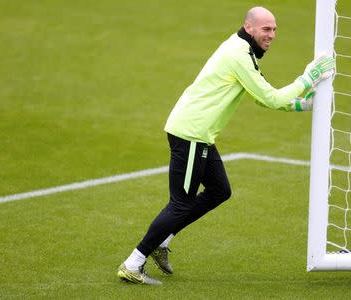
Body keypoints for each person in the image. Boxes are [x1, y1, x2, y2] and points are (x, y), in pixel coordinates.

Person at [117, 6, 334, 285]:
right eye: (266, 29)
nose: (272, 35)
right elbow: (271, 99)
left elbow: (261, 96)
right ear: (249, 27)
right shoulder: (238, 55)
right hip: (191, 134)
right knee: (180, 204)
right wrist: (309, 78)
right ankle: (133, 263)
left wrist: (302, 104)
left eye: (275, 29)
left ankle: (163, 239)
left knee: (219, 190)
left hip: (200, 134)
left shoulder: (243, 52)